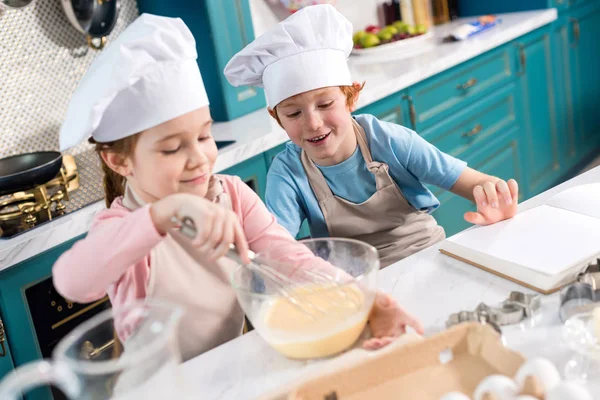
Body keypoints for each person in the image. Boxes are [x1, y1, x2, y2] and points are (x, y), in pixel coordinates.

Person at [52, 13, 424, 362]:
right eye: (172, 148)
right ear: (120, 162)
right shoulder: (121, 226)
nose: (199, 158)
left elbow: (290, 260)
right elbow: (73, 281)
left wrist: (365, 301)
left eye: (203, 135)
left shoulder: (230, 195)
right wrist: (162, 214)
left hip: (230, 367)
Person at [224, 4, 519, 268]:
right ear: (276, 118)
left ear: (350, 98)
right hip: (353, 283)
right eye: (293, 114)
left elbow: (474, 183)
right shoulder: (287, 172)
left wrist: (495, 198)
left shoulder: (389, 140)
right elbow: (277, 247)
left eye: (325, 105)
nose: (312, 123)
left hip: (424, 258)